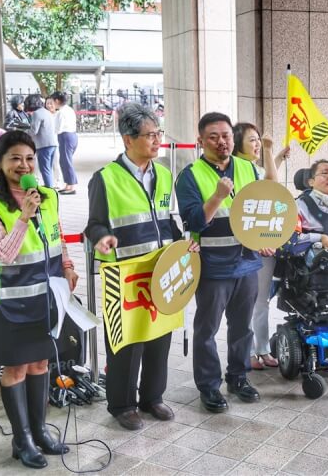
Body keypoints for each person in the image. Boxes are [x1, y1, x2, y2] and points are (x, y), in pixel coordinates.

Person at [0, 131, 76, 468]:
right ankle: (22, 438)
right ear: (0, 164)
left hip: (46, 298)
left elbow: (57, 236)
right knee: (16, 368)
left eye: (29, 158)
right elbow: (4, 254)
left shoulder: (47, 196)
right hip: (12, 303)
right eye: (15, 158)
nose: (24, 165)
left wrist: (69, 266)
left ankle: (40, 430)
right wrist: (24, 216)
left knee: (41, 363)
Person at [85, 102, 183, 430]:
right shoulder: (106, 179)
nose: (157, 141)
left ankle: (152, 397)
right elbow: (95, 224)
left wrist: (184, 245)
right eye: (149, 135)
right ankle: (122, 404)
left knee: (159, 335)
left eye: (159, 134)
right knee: (126, 341)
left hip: (161, 269)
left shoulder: (165, 174)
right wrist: (101, 238)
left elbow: (167, 219)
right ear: (128, 140)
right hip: (124, 275)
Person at [175, 112, 267, 412]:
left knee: (242, 327)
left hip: (247, 262)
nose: (221, 142)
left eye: (226, 135)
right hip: (213, 266)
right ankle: (209, 386)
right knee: (207, 329)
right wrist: (216, 196)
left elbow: (262, 210)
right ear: (200, 141)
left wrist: (266, 239)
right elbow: (193, 221)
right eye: (213, 137)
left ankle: (238, 377)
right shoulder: (190, 175)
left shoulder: (249, 169)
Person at [231, 122, 290, 370]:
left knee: (261, 300)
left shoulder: (250, 168)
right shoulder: (237, 169)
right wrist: (268, 150)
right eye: (252, 140)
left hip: (264, 245)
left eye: (258, 140)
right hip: (248, 247)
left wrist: (275, 158)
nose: (256, 144)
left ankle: (262, 349)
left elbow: (265, 178)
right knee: (251, 302)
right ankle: (252, 352)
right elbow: (270, 186)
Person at [23, 94, 58, 188]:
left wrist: (23, 132)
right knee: (48, 168)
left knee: (44, 169)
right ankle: (50, 186)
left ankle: (49, 189)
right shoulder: (46, 112)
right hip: (52, 143)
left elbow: (34, 130)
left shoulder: (37, 113)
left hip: (43, 145)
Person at [51, 91, 79, 195]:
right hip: (71, 136)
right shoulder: (68, 109)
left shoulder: (61, 112)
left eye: (53, 101)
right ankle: (68, 184)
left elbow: (58, 128)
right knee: (64, 161)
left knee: (66, 161)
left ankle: (71, 186)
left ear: (57, 101)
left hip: (65, 136)